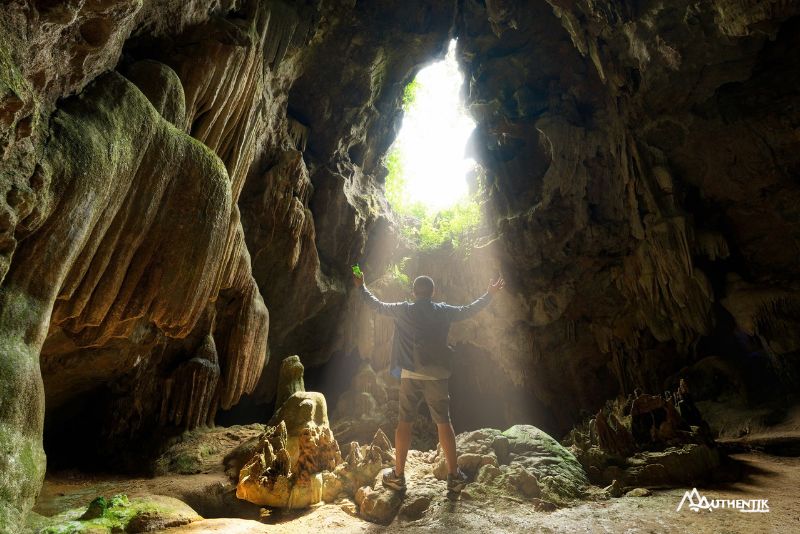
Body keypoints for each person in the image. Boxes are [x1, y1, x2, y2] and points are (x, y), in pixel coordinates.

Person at [353, 269, 505, 493]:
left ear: (414, 292)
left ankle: (398, 476)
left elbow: (377, 305)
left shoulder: (404, 309)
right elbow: (468, 310)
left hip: (410, 373)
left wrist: (361, 286)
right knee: (444, 422)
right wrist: (489, 294)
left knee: (404, 423)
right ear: (433, 292)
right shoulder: (443, 311)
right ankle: (454, 477)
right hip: (438, 375)